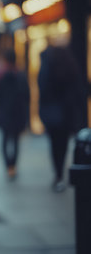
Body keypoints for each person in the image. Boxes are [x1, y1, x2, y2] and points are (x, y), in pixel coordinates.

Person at [38, 45, 84, 192]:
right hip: (66, 114)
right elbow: (78, 91)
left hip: (53, 114)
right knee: (63, 145)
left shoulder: (47, 69)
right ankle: (60, 174)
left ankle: (58, 175)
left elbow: (42, 90)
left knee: (54, 145)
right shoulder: (70, 68)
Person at [0, 50, 30, 180]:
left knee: (5, 141)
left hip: (4, 114)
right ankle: (13, 166)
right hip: (18, 114)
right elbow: (27, 95)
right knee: (15, 141)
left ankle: (8, 167)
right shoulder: (21, 75)